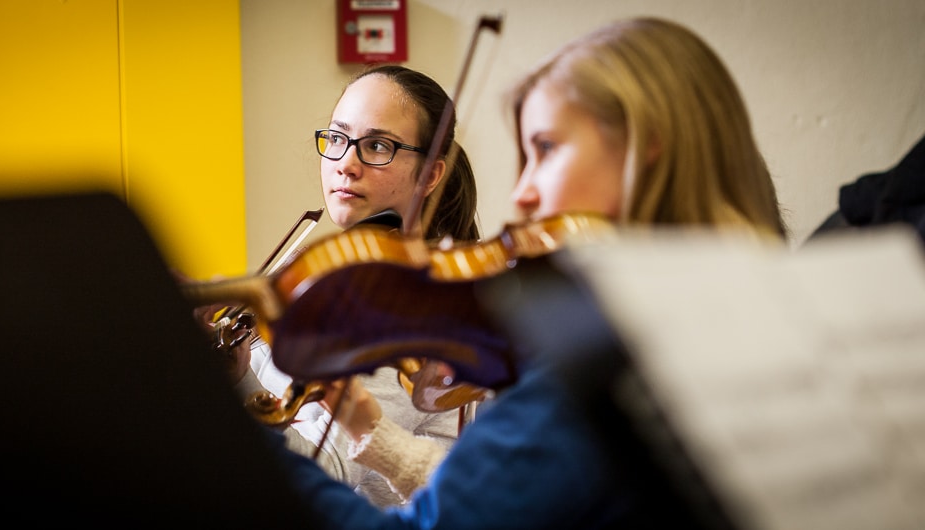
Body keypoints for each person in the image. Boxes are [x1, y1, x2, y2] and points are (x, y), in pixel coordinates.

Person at [270, 16, 787, 528]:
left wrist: (227, 426)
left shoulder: (599, 362)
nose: (523, 195)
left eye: (544, 149)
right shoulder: (763, 316)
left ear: (642, 152)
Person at [227, 64, 484, 508]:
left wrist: (237, 378)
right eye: (338, 138)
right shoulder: (315, 268)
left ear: (431, 175)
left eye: (378, 146)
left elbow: (324, 475)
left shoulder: (414, 310)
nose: (346, 163)